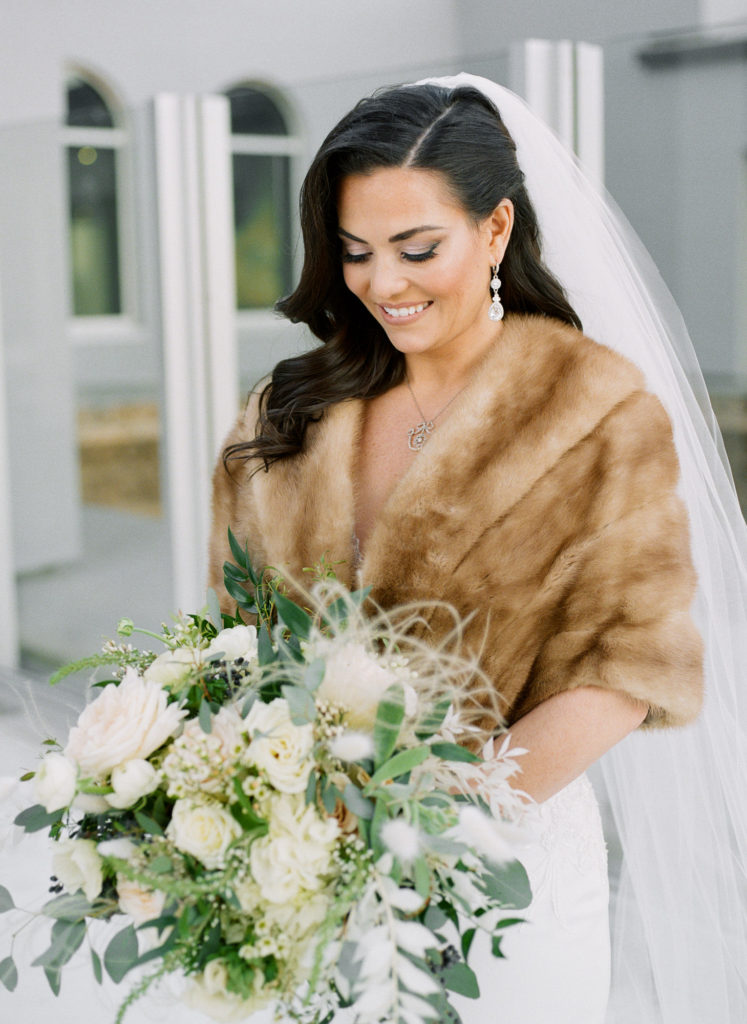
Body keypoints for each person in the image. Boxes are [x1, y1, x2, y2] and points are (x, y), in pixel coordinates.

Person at [209, 75, 747, 1023]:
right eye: (355, 252)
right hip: (297, 877)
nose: (382, 284)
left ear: (495, 230)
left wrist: (419, 825)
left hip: (504, 882)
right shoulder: (284, 412)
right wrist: (253, 809)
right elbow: (234, 633)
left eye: (418, 249)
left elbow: (625, 667)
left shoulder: (590, 418)